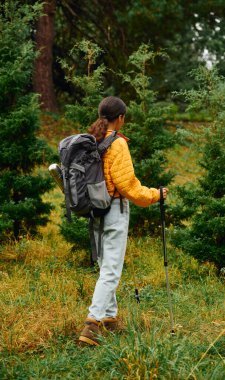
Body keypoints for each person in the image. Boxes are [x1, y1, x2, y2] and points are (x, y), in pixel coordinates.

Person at [79, 96, 168, 346]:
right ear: (120, 118)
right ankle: (91, 324)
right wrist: (155, 194)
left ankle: (109, 319)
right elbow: (127, 185)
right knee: (111, 270)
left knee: (106, 264)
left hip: (95, 211)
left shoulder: (92, 140)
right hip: (115, 210)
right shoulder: (117, 144)